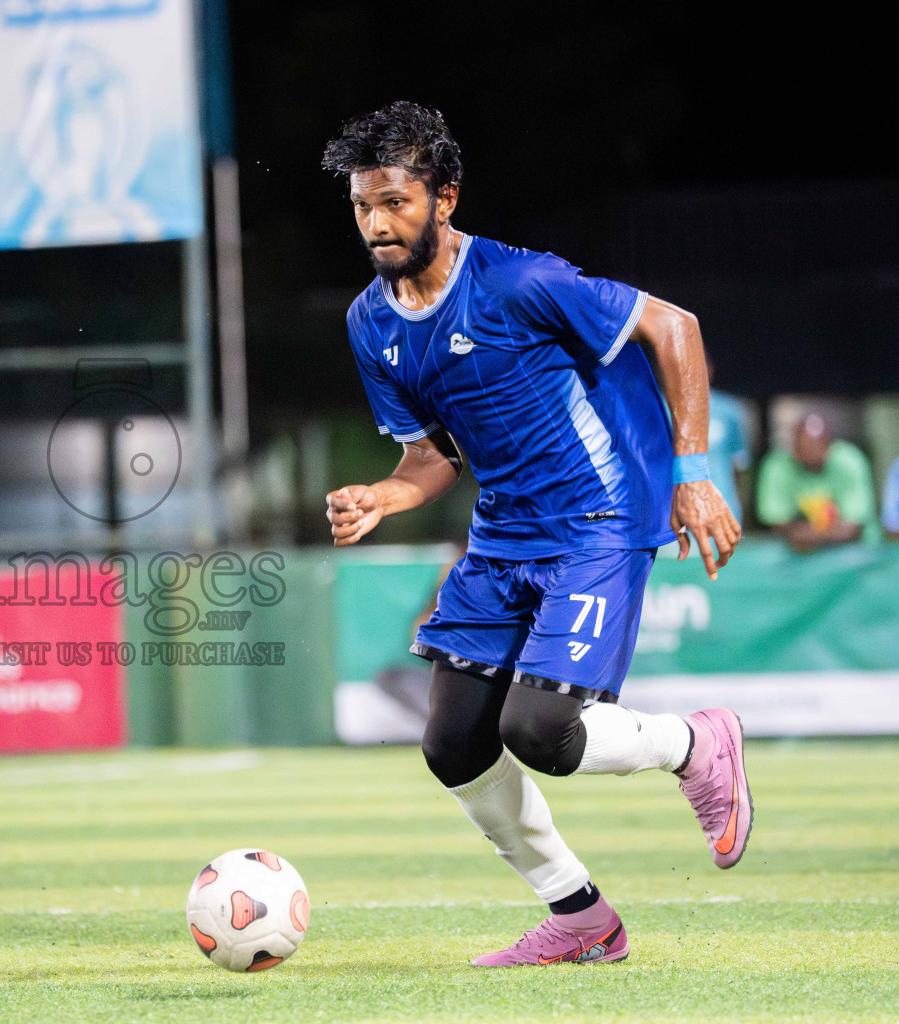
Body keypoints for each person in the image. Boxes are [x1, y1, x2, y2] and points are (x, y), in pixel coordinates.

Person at [322, 102, 747, 968]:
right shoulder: (371, 324)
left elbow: (674, 328)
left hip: (598, 519)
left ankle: (698, 744)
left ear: (444, 198)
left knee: (542, 732)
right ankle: (581, 917)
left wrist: (694, 473)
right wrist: (383, 497)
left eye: (395, 202)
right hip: (503, 536)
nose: (376, 224)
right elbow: (430, 458)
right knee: (452, 744)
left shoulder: (520, 282)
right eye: (363, 205)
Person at [756, 412, 876, 551]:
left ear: (829, 446)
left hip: (853, 551)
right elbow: (776, 521)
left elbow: (854, 527)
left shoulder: (850, 462)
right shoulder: (777, 466)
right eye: (803, 448)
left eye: (817, 448)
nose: (810, 453)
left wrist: (812, 535)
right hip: (797, 554)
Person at [706, 362, 753, 524]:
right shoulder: (659, 407)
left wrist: (735, 505)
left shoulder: (729, 409)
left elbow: (740, 464)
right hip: (673, 514)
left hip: (722, 510)